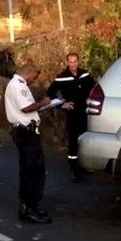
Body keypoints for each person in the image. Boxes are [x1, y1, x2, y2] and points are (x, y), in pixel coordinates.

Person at [4, 58, 53, 224]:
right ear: (29, 73)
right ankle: (29, 207)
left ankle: (29, 206)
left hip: (23, 131)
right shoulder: (19, 86)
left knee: (29, 170)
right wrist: (43, 103)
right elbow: (26, 108)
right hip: (26, 132)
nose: (34, 81)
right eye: (34, 77)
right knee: (34, 170)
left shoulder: (15, 85)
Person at [47, 52, 96, 182]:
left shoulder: (85, 75)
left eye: (75, 61)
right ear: (67, 62)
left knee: (84, 139)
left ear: (78, 61)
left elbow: (95, 88)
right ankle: (73, 168)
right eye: (71, 62)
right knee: (73, 141)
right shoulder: (61, 77)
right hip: (72, 113)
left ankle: (84, 164)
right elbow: (50, 93)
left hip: (85, 112)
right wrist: (62, 104)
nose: (73, 64)